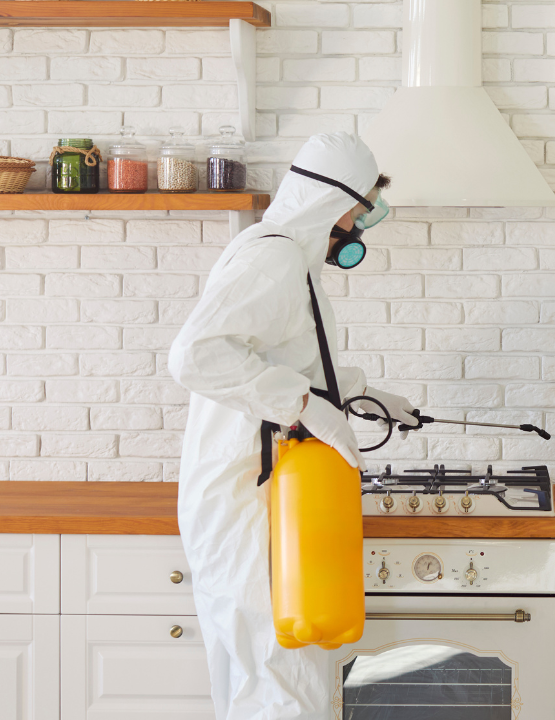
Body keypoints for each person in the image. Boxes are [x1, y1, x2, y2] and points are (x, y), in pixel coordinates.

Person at [168, 132, 418, 720]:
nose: (358, 227)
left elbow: (287, 358)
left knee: (275, 678)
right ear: (332, 202)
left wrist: (357, 393)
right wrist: (305, 405)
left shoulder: (290, 262)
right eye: (360, 211)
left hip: (272, 495)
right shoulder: (273, 259)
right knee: (277, 682)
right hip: (249, 502)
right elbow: (195, 355)